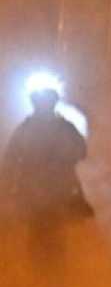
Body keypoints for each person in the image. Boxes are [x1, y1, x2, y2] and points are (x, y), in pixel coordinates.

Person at [0, 86, 91, 224]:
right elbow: (82, 151)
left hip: (41, 187)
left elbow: (11, 157)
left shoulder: (27, 127)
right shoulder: (65, 127)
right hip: (52, 187)